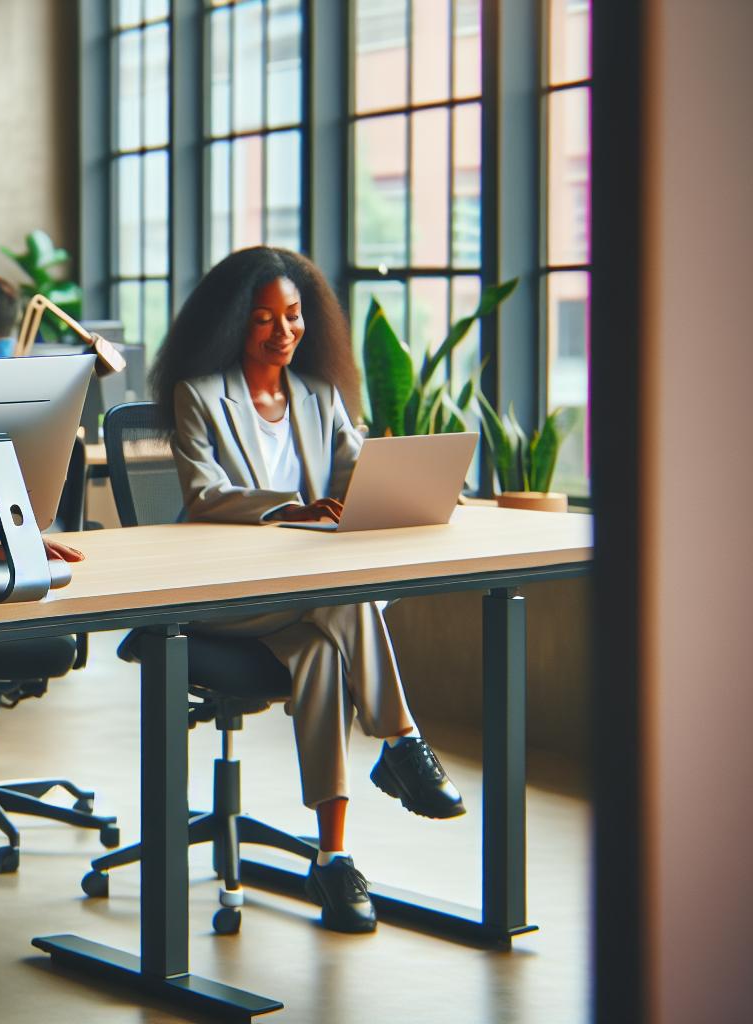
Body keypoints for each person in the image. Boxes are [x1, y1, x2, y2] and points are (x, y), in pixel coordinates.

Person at [146, 245, 467, 934]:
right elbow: (204, 497)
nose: (282, 331)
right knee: (344, 595)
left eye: (292, 316)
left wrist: (414, 484)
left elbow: (357, 469)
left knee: (323, 649)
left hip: (306, 599)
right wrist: (290, 508)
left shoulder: (320, 398)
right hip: (222, 597)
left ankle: (332, 857)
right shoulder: (199, 396)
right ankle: (402, 742)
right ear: (235, 323)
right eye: (263, 318)